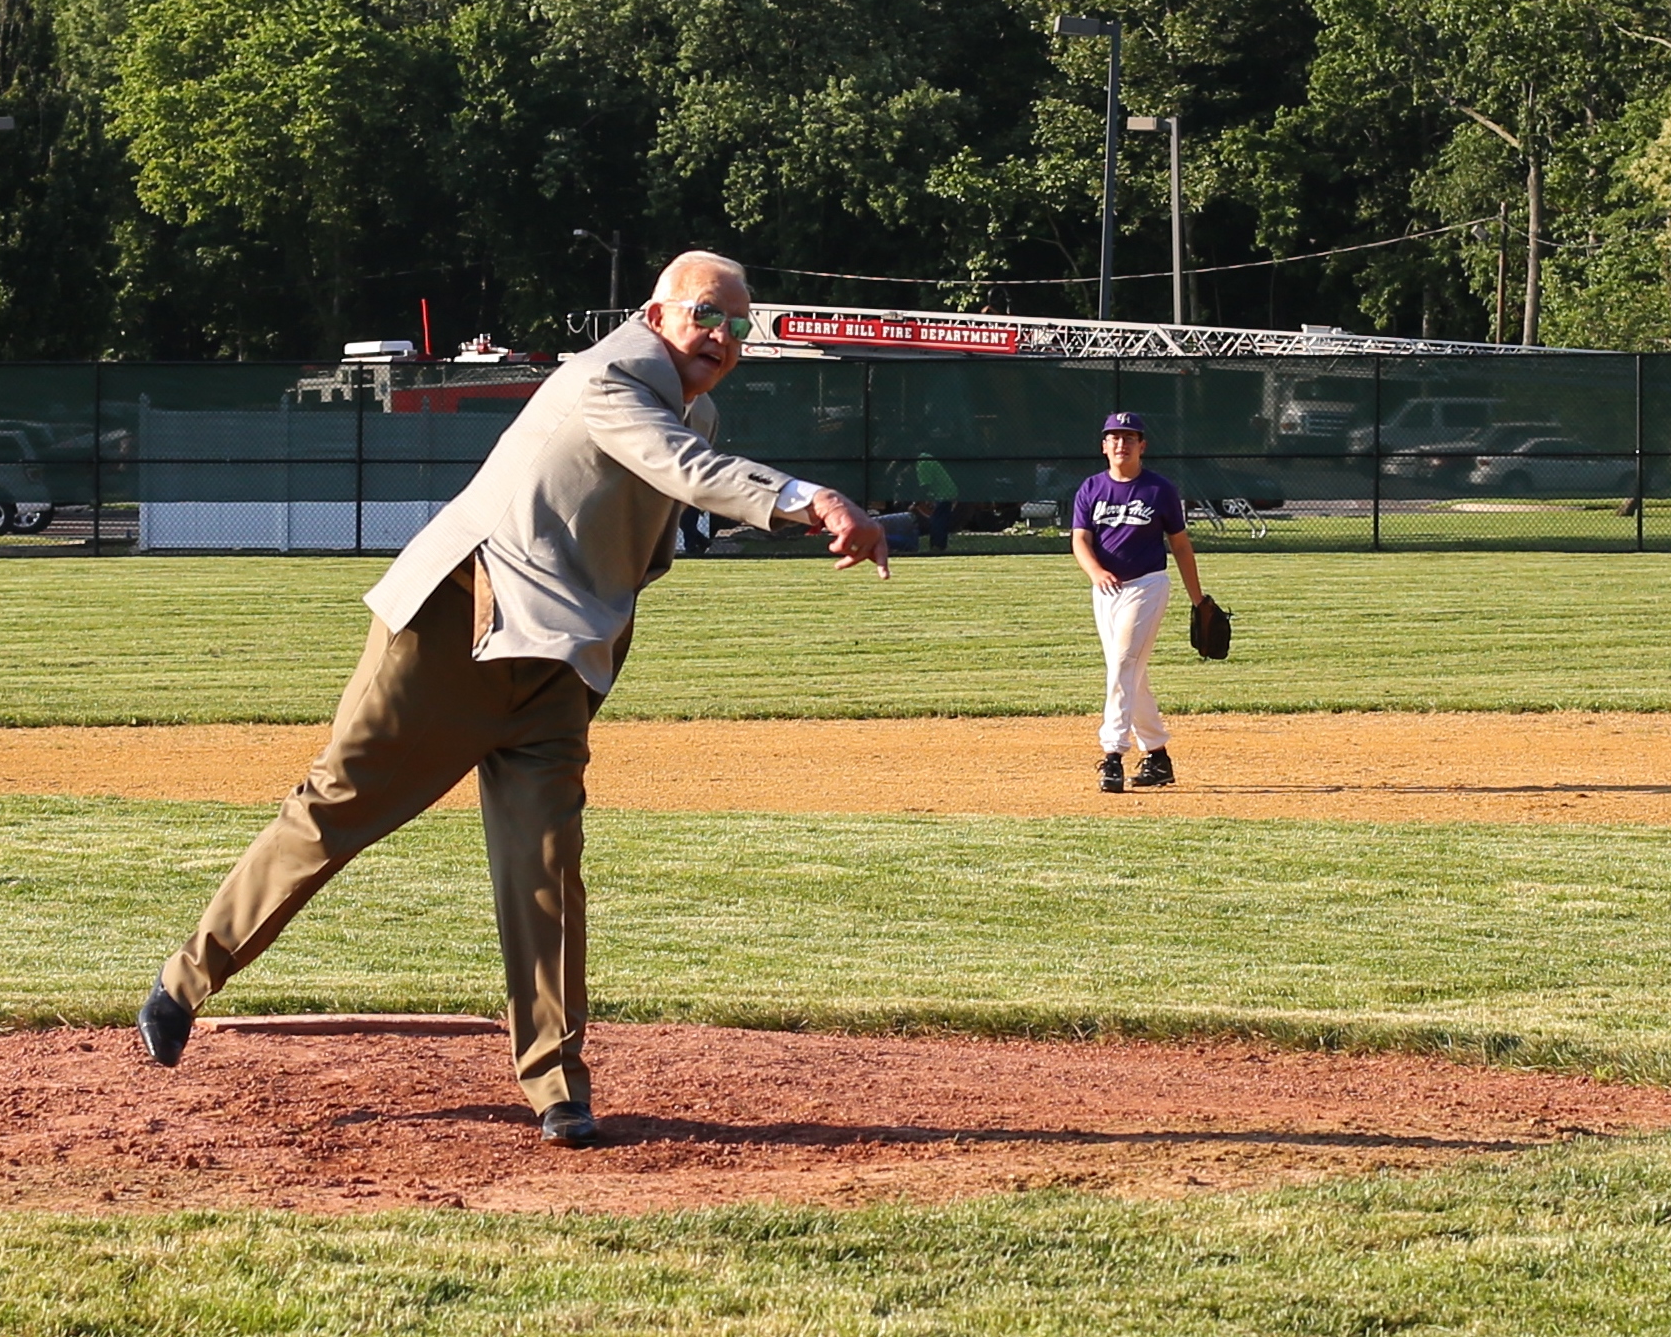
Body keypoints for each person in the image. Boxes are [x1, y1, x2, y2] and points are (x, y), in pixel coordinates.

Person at [135, 252, 887, 1145]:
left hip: (556, 667)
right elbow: (676, 465)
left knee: (545, 871)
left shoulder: (699, 404)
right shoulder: (607, 371)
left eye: (737, 324)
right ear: (655, 312)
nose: (721, 336)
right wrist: (812, 499)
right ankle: (184, 981)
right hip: (458, 629)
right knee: (332, 808)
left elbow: (658, 514)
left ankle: (555, 1085)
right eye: (705, 314)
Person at [1070, 409, 1205, 794]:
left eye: (1129, 437)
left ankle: (1112, 755)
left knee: (1124, 664)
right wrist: (1095, 573)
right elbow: (1080, 540)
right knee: (1131, 671)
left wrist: (1198, 599)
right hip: (1105, 591)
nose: (1121, 443)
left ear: (1142, 446)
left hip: (1147, 585)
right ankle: (1158, 755)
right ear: (1103, 446)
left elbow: (1180, 545)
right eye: (1114, 437)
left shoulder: (1159, 490)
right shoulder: (1091, 488)